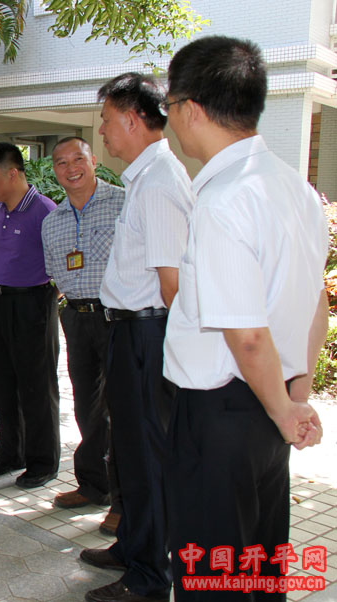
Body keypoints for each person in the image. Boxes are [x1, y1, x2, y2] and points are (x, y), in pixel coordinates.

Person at [163, 36, 326, 601]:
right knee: (259, 566)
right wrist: (294, 397)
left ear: (190, 109)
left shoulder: (224, 199)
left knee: (212, 574)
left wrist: (284, 409)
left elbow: (248, 335)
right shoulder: (296, 188)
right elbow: (315, 302)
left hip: (222, 415)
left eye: (169, 106)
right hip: (268, 403)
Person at [81, 73, 194, 602]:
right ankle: (132, 546)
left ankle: (150, 576)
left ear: (131, 119)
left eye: (107, 120)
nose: (103, 131)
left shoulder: (162, 182)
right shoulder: (145, 179)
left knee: (147, 457)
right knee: (128, 449)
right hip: (129, 331)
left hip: (149, 334)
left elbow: (173, 284)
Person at [41, 136, 124, 534]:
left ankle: (124, 502)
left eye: (78, 159)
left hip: (118, 318)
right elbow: (55, 271)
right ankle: (93, 485)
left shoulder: (124, 203)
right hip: (76, 317)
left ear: (93, 161)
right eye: (61, 162)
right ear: (54, 170)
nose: (70, 168)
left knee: (123, 410)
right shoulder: (52, 220)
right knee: (87, 406)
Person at [0, 142, 60, 486]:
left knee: (37, 386)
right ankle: (11, 453)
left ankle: (43, 463)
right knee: (2, 382)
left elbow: (61, 264)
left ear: (12, 173)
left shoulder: (45, 210)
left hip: (32, 305)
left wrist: (42, 300)